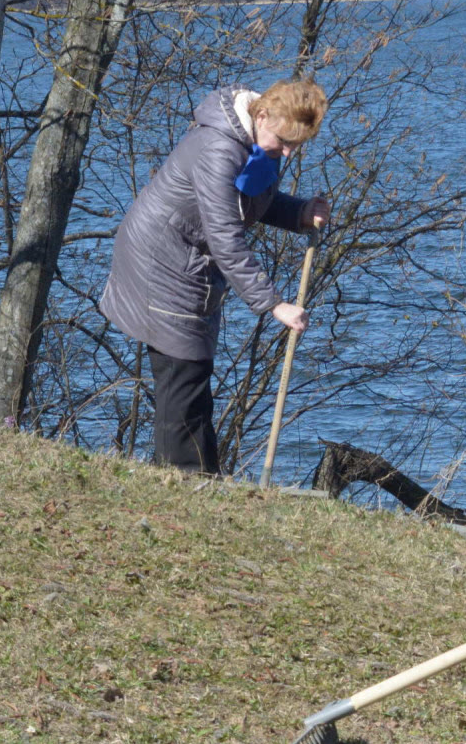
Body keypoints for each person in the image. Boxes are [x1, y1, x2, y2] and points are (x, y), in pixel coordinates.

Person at [99, 79, 331, 474]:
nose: (289, 152)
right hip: (161, 262)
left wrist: (298, 213)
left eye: (298, 144)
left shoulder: (256, 141)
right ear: (261, 115)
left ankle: (200, 480)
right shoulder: (219, 149)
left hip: (190, 260)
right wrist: (274, 304)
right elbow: (226, 237)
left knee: (193, 375)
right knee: (182, 375)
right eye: (286, 141)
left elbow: (248, 202)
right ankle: (188, 485)